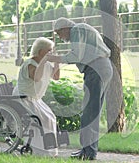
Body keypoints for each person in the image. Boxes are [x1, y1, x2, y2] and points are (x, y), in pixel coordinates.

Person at [46, 17, 113, 160]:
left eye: (59, 33)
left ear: (65, 28)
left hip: (96, 69)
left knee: (89, 112)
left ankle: (88, 152)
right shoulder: (82, 29)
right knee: (92, 112)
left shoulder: (77, 30)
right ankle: (87, 150)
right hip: (102, 68)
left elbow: (76, 56)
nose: (60, 37)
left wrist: (53, 59)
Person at [12, 37, 60, 156]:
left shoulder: (46, 64)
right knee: (43, 120)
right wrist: (44, 61)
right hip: (23, 98)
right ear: (40, 51)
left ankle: (50, 151)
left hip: (35, 99)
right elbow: (37, 78)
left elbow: (56, 76)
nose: (51, 52)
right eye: (49, 50)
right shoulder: (30, 63)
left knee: (51, 118)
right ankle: (40, 152)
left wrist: (57, 61)